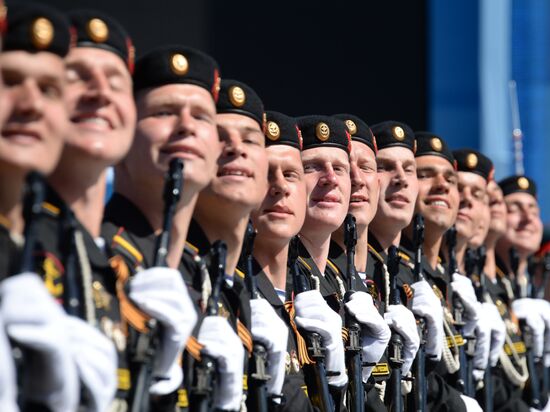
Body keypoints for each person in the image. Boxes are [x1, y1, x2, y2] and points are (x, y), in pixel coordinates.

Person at [186, 79, 288, 410]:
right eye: (219, 137)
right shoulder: (168, 279)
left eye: (249, 139)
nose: (236, 148)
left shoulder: (246, 294)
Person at [327, 113, 391, 411]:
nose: (356, 178)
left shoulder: (388, 274)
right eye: (345, 167)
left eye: (365, 167)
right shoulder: (309, 279)